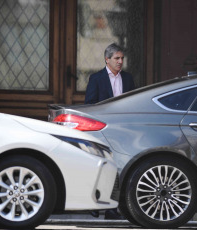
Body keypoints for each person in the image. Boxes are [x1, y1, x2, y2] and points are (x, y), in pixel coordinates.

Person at [85, 43, 134, 219]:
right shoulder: (96, 78)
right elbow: (90, 105)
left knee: (119, 168)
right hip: (102, 130)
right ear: (107, 59)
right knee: (102, 167)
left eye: (122, 58)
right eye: (117, 58)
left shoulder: (128, 79)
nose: (120, 61)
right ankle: (95, 203)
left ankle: (113, 208)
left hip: (122, 131)